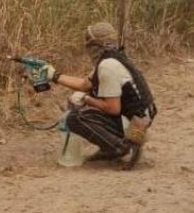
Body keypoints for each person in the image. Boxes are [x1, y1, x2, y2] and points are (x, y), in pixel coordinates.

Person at [45, 22, 157, 169]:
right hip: (140, 117)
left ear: (95, 45)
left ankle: (120, 147)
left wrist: (86, 99)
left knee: (75, 117)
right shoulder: (114, 59)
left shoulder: (107, 66)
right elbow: (85, 85)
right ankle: (120, 144)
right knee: (87, 102)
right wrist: (53, 75)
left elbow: (112, 108)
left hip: (133, 123)